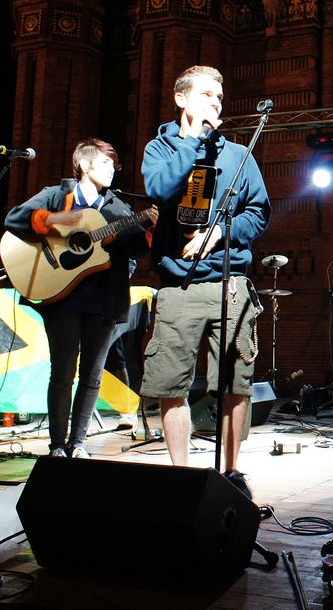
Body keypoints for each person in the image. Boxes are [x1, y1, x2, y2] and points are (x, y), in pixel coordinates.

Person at [140, 65, 271, 499]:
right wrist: (193, 141)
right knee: (170, 382)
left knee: (235, 381)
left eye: (220, 95)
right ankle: (181, 476)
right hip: (178, 285)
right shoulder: (160, 150)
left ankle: (232, 474)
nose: (216, 101)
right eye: (207, 94)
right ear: (181, 99)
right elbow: (160, 188)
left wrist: (218, 232)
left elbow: (258, 211)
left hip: (230, 281)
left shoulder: (238, 155)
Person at [4, 138, 155, 459]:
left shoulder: (117, 207)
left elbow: (137, 247)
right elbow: (14, 219)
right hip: (62, 299)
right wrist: (55, 220)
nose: (113, 170)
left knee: (92, 375)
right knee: (62, 372)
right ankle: (58, 444)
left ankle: (79, 443)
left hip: (103, 302)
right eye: (104, 163)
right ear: (85, 166)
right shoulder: (58, 196)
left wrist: (152, 225)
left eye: (114, 165)